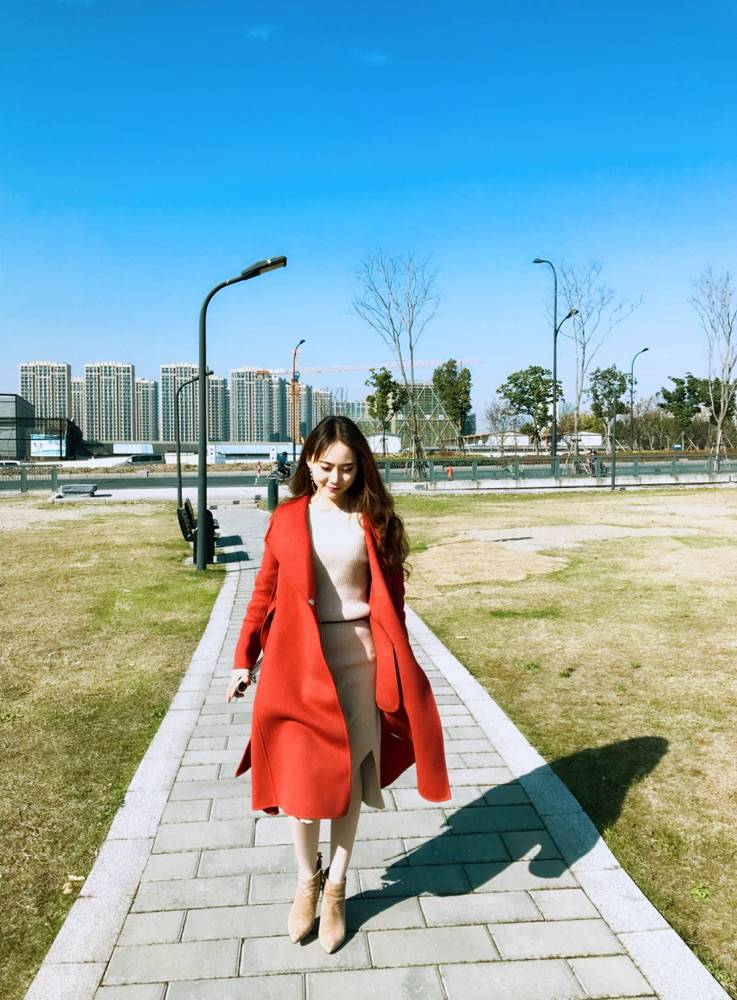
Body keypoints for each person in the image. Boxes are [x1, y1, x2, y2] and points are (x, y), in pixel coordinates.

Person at [226, 415, 450, 953]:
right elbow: (264, 592)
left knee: (349, 782)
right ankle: (308, 880)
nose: (336, 478)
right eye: (326, 467)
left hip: (359, 665)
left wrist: (399, 663)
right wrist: (243, 658)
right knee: (302, 788)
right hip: (295, 667)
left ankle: (336, 889)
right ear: (309, 461)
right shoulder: (286, 519)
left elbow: (393, 602)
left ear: (361, 468)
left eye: (347, 468)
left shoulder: (374, 519)